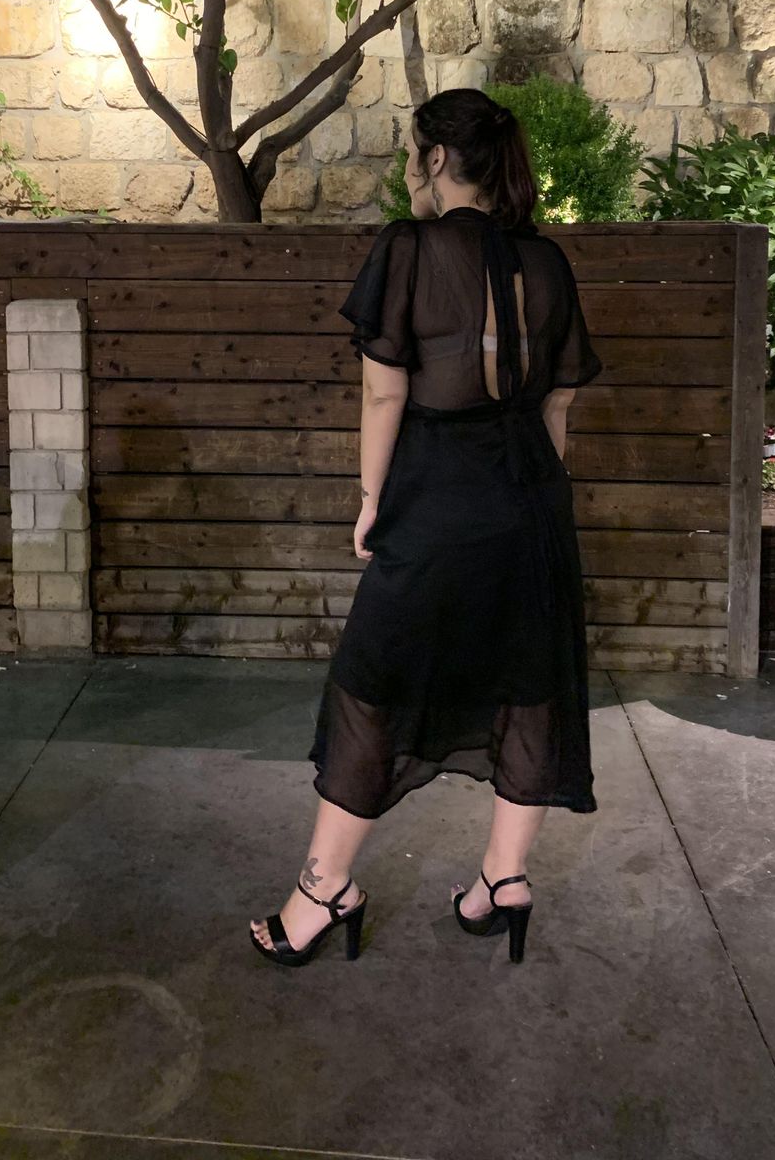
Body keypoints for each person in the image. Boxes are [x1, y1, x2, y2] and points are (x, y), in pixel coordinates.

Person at [249, 87, 604, 967]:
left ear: (438, 158)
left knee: (369, 684)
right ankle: (502, 884)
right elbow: (557, 407)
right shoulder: (547, 262)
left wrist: (372, 497)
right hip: (534, 506)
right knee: (528, 685)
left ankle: (323, 893)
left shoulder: (409, 248)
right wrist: (535, 499)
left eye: (416, 153)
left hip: (439, 499)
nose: (412, 168)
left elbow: (384, 393)